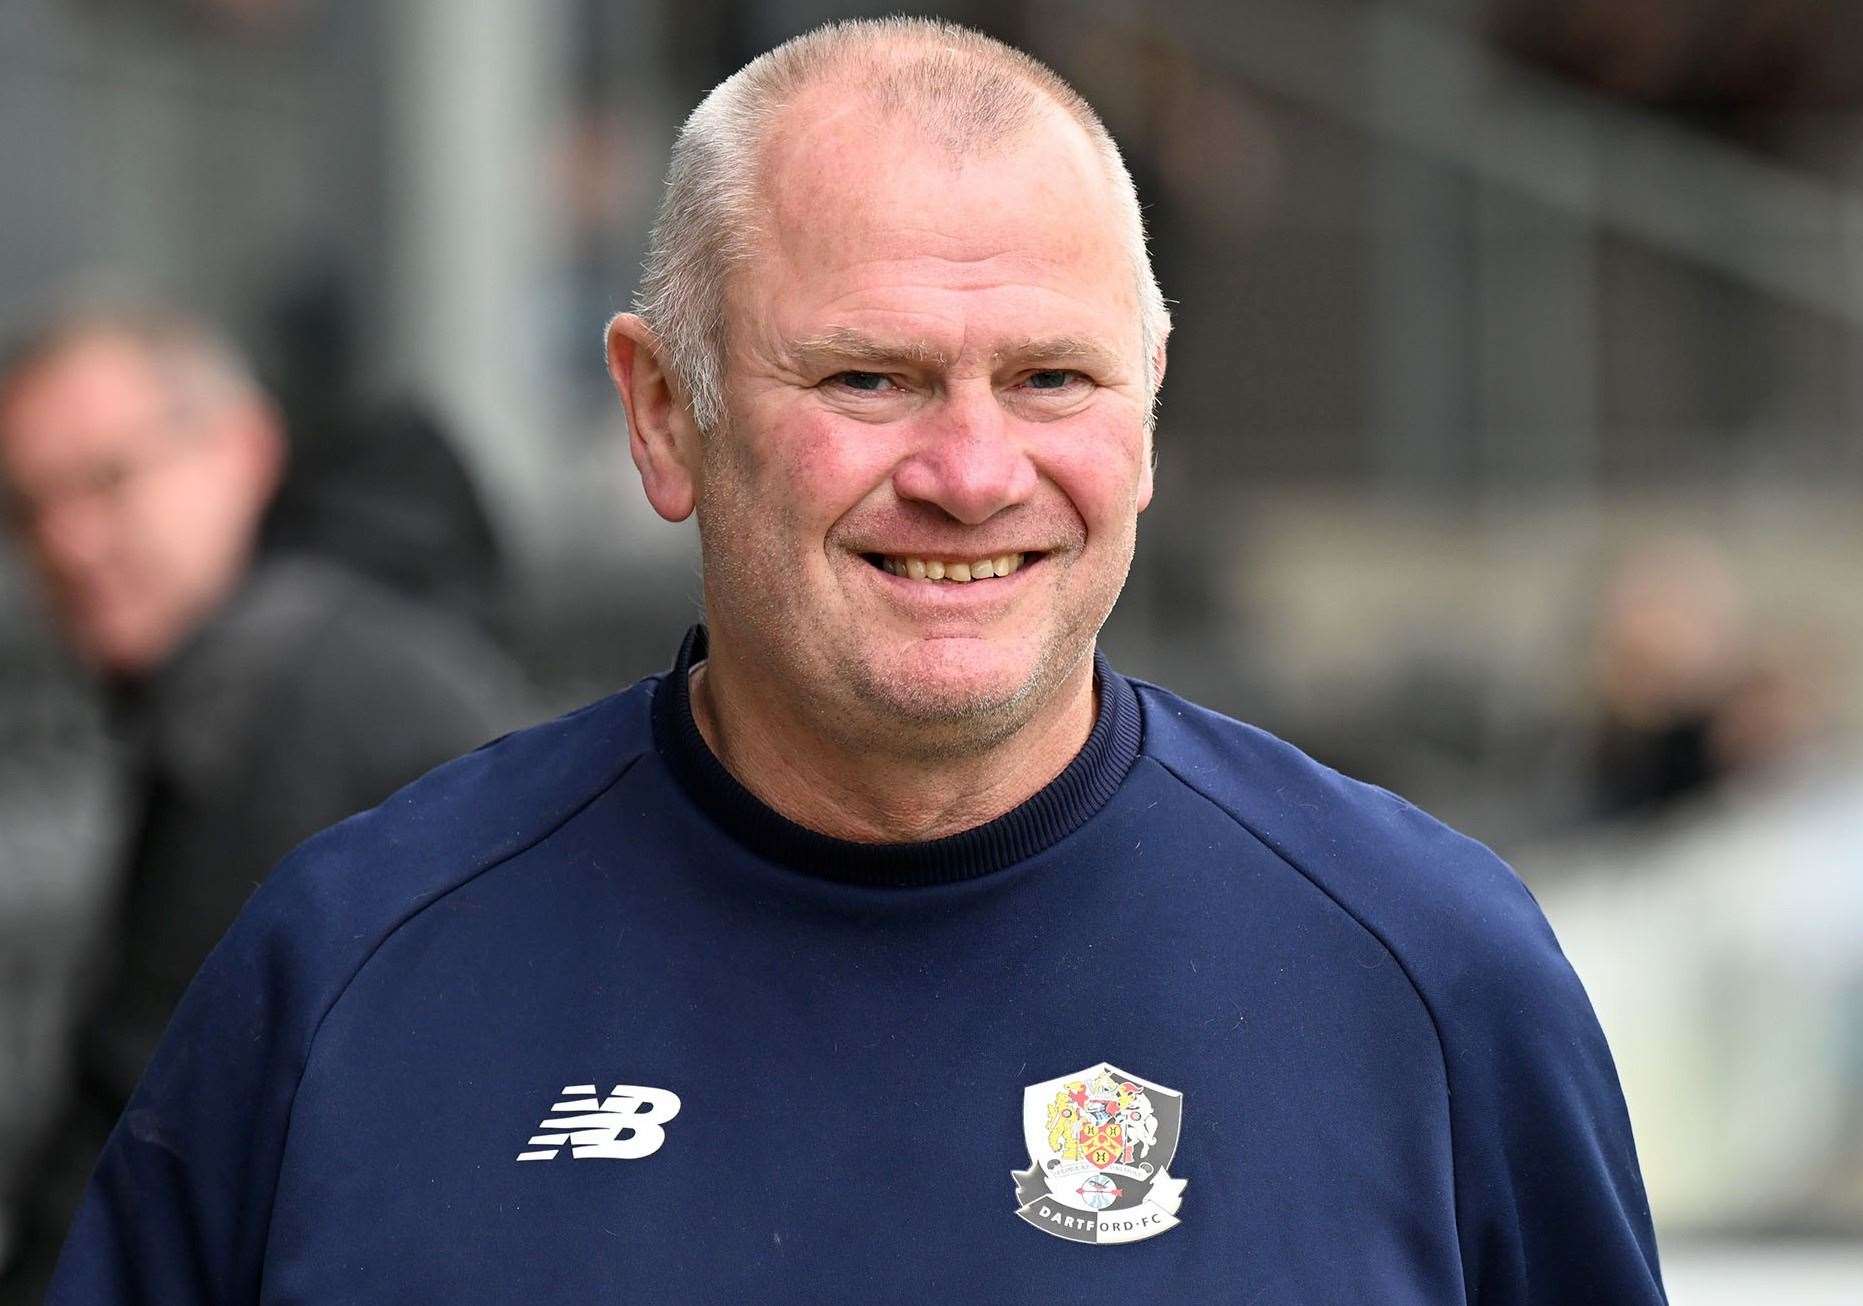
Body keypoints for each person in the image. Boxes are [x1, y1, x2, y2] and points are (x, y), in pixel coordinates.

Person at [47, 20, 1664, 1303]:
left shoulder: (1432, 978)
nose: (971, 472)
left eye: (1048, 377)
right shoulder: (342, 973)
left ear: (1148, 404)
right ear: (663, 412)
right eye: (870, 379)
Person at [0, 304, 532, 1293]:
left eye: (108, 480)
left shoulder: (271, 695)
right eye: (29, 509)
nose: (67, 543)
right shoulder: (342, 638)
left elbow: (143, 1128)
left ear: (244, 448)